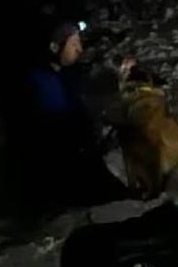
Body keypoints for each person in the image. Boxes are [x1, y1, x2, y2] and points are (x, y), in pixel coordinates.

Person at [12, 19, 131, 214]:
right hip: (66, 176)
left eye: (79, 42)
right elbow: (64, 135)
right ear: (54, 47)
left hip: (81, 164)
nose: (79, 49)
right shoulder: (42, 83)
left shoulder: (65, 74)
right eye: (73, 44)